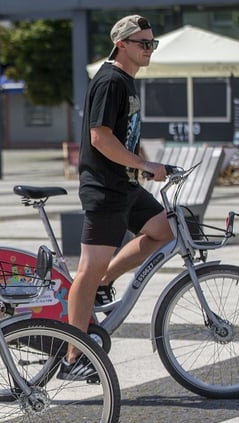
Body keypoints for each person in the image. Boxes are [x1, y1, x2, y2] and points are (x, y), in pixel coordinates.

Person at [64, 14, 170, 381]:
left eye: (152, 43)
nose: (149, 50)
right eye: (144, 43)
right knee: (86, 272)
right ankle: (73, 357)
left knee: (165, 229)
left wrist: (143, 166)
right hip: (105, 188)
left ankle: (106, 281)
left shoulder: (127, 81)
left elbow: (125, 134)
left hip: (125, 186)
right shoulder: (111, 81)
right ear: (121, 44)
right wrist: (143, 163)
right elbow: (100, 137)